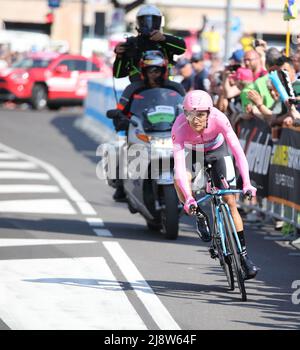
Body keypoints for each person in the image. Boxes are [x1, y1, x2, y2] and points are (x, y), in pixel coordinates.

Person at [171, 90, 259, 280]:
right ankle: (198, 213)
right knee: (178, 178)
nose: (195, 120)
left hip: (217, 151)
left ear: (209, 113)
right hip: (192, 152)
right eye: (190, 115)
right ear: (184, 113)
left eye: (201, 115)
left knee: (230, 201)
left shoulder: (219, 118)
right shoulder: (179, 127)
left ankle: (244, 257)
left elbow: (237, 151)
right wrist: (188, 198)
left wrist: (247, 182)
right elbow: (179, 167)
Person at [110, 50, 185, 201]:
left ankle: (193, 181)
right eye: (149, 70)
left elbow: (185, 107)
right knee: (120, 148)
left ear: (164, 70)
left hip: (168, 130)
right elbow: (120, 109)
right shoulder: (133, 88)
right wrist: (120, 118)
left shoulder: (176, 88)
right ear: (143, 70)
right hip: (142, 131)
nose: (153, 74)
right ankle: (121, 186)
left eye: (157, 70)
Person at [113, 4, 186, 81]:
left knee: (180, 90)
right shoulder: (132, 43)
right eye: (144, 21)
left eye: (153, 20)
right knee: (127, 92)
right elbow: (118, 74)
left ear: (160, 22)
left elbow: (182, 48)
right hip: (139, 88)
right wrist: (119, 57)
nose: (149, 25)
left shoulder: (166, 41)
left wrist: (163, 39)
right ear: (138, 22)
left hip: (165, 86)